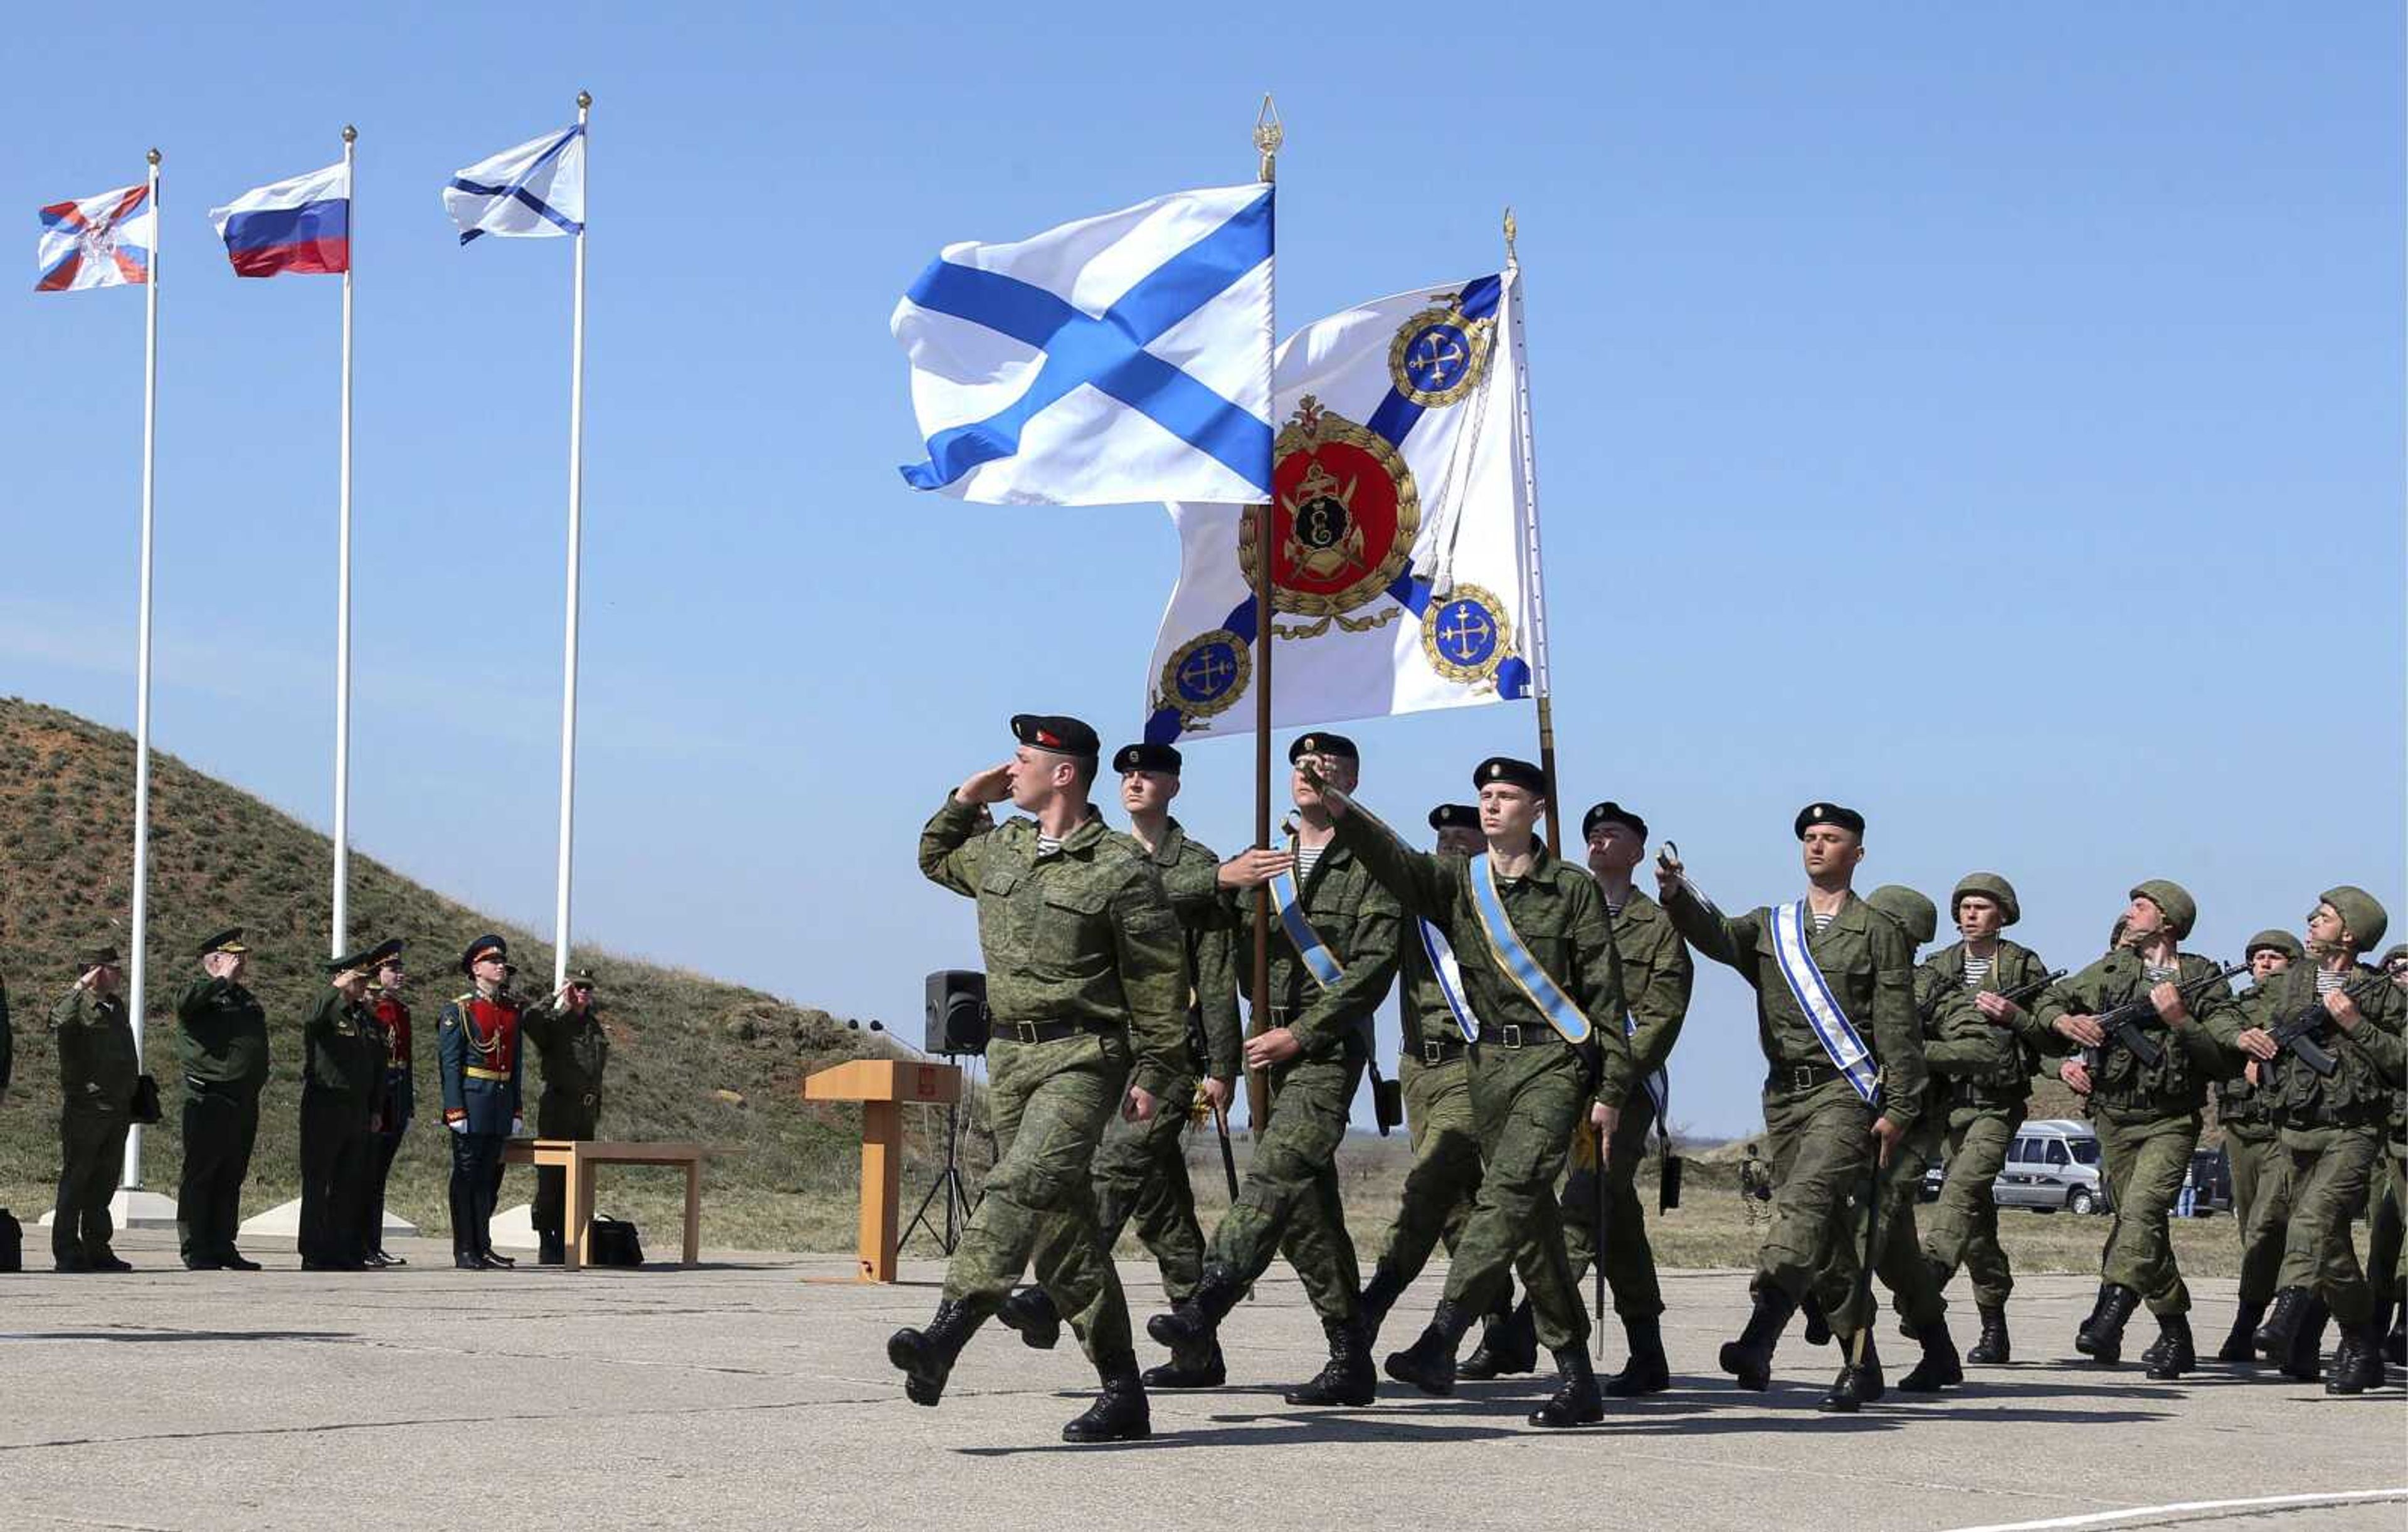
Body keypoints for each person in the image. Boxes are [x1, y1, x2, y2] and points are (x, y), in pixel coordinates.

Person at [895, 714, 1187, 1443]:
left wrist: (1156, 1068)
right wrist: (965, 796)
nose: (1010, 768)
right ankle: (1123, 1389)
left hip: (1083, 1057)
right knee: (1062, 1231)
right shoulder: (1003, 849)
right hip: (1010, 1059)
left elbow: (1157, 979)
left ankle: (946, 1334)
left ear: (1064, 774)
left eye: (1022, 759)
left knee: (1020, 1183)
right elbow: (934, 857)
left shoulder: (1120, 868)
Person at [1321, 755, 1629, 1428]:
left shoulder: (1570, 889)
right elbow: (1395, 859)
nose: (1492, 806)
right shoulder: (1460, 883)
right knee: (1535, 1230)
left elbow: (1606, 993)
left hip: (1556, 1063)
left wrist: (1611, 1088)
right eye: (1486, 795)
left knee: (1509, 1192)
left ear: (1537, 809)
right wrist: (1340, 807)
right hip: (1486, 1065)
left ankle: (1443, 1334)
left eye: (1507, 795)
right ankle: (1578, 1378)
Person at [1148, 734, 1400, 1410]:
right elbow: (1158, 897)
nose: (1310, 776)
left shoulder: (1374, 865)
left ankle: (1205, 1305)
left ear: (1353, 779)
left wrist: (1302, 1033)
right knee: (1307, 1210)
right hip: (1265, 1054)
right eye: (1300, 766)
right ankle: (1350, 1356)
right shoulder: (1264, 861)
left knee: (1276, 1173)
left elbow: (1374, 969)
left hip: (1324, 1050)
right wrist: (1220, 880)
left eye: (1328, 768)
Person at [1656, 802, 1925, 1412]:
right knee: (1824, 1241)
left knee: (1802, 1206)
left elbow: (1898, 1026)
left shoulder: (1877, 931)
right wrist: (1676, 896)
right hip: (1785, 1095)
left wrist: (1901, 1105)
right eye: (1810, 837)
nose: (1817, 846)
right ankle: (1863, 1366)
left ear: (1857, 854)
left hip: (1846, 1092)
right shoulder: (1774, 925)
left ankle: (1758, 1338)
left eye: (1831, 838)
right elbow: (1719, 938)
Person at [996, 741, 1241, 1387]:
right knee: (1162, 1211)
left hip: (1168, 1057)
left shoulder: (1198, 864)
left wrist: (1222, 1065)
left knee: (1116, 1165)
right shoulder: (1100, 850)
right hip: (1106, 1050)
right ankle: (1199, 1345)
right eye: (1128, 773)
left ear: (1174, 786)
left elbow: (1214, 976)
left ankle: (1054, 1295)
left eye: (1150, 773)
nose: (1136, 782)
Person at [2036, 880, 2239, 1378]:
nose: (2130, 912)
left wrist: (2180, 1020)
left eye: (2141, 906)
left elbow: (2222, 1056)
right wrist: (2066, 1029)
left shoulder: (2203, 977)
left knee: (2143, 1211)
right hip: (2113, 1117)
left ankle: (2111, 1314)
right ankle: (2176, 1334)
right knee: (2139, 1224)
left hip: (2171, 1119)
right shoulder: (2112, 968)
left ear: (2168, 921)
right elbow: (2047, 1002)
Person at [1543, 799, 1694, 1397]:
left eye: (1615, 834)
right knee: (1615, 1213)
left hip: (1624, 1089)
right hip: (1560, 1078)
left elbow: (1662, 1013)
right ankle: (1648, 1349)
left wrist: (1617, 1073)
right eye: (1594, 834)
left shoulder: (1658, 926)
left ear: (1637, 851)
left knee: (1584, 1197)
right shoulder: (1561, 913)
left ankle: (1528, 1329)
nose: (1601, 841)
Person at [2228, 889, 2405, 1393]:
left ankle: (2294, 1316)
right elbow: (2235, 1017)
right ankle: (2359, 1340)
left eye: (2323, 917)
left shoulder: (2383, 991)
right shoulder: (2291, 981)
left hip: (2353, 1129)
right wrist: (2253, 1044)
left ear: (2349, 933)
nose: (2311, 921)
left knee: (2313, 1220)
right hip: (2296, 1126)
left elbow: (2403, 1058)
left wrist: (2355, 1023)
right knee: (2329, 1242)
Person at [1356, 805, 1507, 1370]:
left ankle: (1374, 1309)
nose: (1447, 848)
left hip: (1476, 1065)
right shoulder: (1412, 906)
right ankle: (1502, 1324)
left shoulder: (1501, 906)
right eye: (1441, 838)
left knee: (1428, 1187)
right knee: (1458, 1209)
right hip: (1420, 1068)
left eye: (1460, 839)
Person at [1923, 873, 2057, 1366]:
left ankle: (1929, 1275)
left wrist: (2014, 1015)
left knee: (1960, 1190)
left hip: (1997, 1105)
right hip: (1945, 1107)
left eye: (1981, 907)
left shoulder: (2023, 964)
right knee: (1975, 1220)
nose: (1970, 915)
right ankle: (1994, 1323)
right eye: (1964, 907)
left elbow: (2050, 1031)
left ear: (2002, 914)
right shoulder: (1938, 967)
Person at [2213, 929, 2303, 1361]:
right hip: (2239, 1128)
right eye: (2258, 957)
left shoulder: (2299, 1005)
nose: (2264, 964)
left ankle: (2249, 1322)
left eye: (2274, 957)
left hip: (2279, 1132)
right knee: (2251, 1229)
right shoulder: (2235, 1006)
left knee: (2268, 1227)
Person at [176, 929, 270, 1271]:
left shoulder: (243, 997)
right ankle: (195, 1245)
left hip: (242, 1097)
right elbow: (184, 1004)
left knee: (232, 1173)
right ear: (215, 959)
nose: (242, 962)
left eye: (242, 957)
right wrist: (220, 981)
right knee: (202, 1173)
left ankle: (222, 1243)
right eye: (234, 957)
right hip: (209, 1096)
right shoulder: (200, 992)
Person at [297, 943, 389, 1270]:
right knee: (319, 1180)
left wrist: (376, 1108)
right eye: (359, 979)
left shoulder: (365, 1019)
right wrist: (334, 988)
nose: (366, 985)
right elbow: (309, 1019)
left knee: (350, 1182)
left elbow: (379, 1067)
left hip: (358, 1108)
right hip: (326, 1104)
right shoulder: (327, 1010)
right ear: (341, 978)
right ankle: (314, 1250)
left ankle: (342, 1248)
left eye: (367, 980)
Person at [437, 934, 527, 1271]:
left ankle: (483, 1245)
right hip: (472, 1101)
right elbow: (449, 1064)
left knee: (491, 1178)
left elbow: (516, 1065)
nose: (501, 967)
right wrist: (454, 1108)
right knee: (467, 1176)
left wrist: (516, 1107)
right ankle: (465, 1248)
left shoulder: (509, 1010)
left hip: (500, 1103)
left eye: (502, 962)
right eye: (493, 962)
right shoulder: (460, 1009)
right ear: (476, 969)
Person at [50, 944, 139, 1272]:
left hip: (117, 1106)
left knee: (103, 1183)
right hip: (86, 1107)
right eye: (113, 968)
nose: (120, 974)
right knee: (77, 1180)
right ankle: (67, 1251)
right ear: (96, 971)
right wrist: (80, 986)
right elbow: (57, 1018)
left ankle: (98, 1247)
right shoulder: (77, 1006)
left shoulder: (115, 1006)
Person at [523, 968, 611, 1265]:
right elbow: (529, 1020)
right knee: (552, 1179)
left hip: (585, 1112)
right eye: (577, 987)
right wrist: (554, 997)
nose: (582, 993)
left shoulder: (594, 1027)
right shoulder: (555, 1025)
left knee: (579, 1180)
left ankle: (569, 1237)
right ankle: (547, 1238)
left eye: (587, 988)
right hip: (559, 1109)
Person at [359, 944, 415, 1266]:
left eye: (399, 968)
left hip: (397, 1097)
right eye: (392, 969)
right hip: (378, 1097)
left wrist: (408, 1104)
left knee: (379, 1176)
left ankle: (374, 1244)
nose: (399, 974)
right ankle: (363, 1243)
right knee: (367, 1173)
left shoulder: (400, 1010)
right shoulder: (372, 1008)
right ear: (376, 974)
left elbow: (405, 1061)